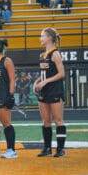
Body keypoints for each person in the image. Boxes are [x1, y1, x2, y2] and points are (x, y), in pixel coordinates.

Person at [33, 27, 66, 157]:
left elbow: (61, 74)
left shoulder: (55, 54)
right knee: (46, 121)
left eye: (42, 36)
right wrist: (37, 82)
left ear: (50, 38)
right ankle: (47, 148)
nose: (40, 38)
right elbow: (44, 74)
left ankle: (60, 149)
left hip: (55, 91)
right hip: (44, 92)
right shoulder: (42, 55)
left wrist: (45, 82)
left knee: (58, 120)